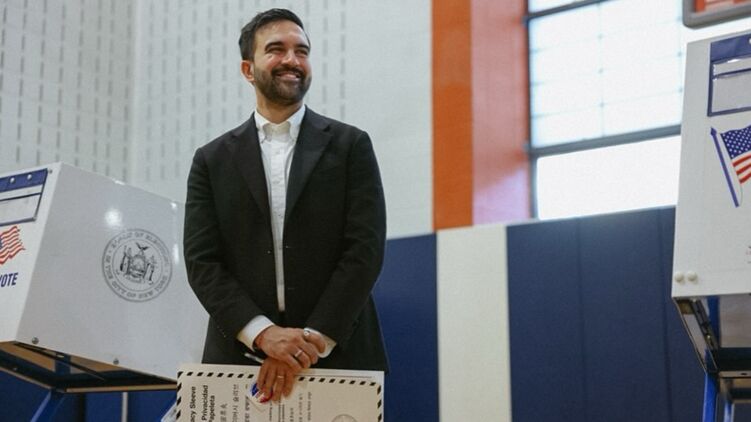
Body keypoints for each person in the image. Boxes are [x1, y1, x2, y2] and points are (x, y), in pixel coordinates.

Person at [183, 8, 388, 402]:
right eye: (276, 49)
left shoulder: (352, 146)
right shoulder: (211, 160)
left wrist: (307, 343)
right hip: (239, 359)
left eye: (302, 51)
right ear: (248, 69)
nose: (292, 60)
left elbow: (364, 251)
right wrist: (263, 334)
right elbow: (202, 262)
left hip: (340, 355)